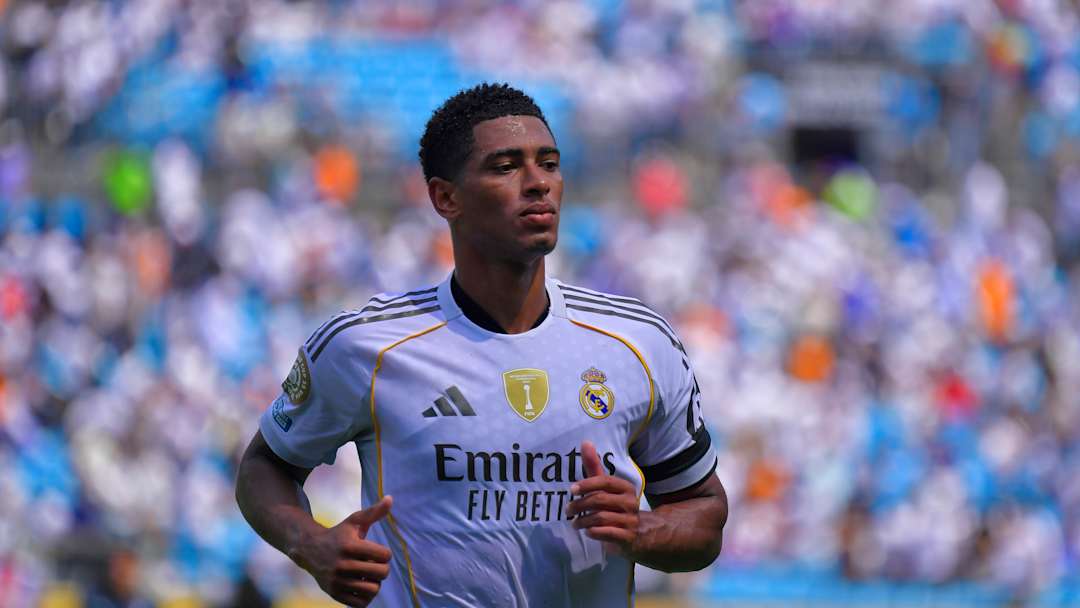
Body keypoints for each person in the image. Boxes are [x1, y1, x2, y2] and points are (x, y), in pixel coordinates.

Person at [235, 83, 728, 607]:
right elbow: (265, 466)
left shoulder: (638, 343)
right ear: (445, 198)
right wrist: (309, 544)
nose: (538, 183)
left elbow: (705, 514)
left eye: (550, 164)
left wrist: (642, 530)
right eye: (506, 167)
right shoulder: (365, 346)